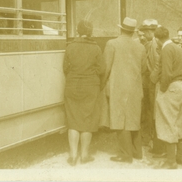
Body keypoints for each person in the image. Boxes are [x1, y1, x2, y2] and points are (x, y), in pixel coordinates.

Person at [103, 17, 147, 163]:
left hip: (118, 87)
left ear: (121, 29)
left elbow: (106, 68)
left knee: (120, 119)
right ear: (133, 32)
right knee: (133, 118)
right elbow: (144, 68)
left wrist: (102, 85)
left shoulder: (112, 44)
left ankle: (125, 154)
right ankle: (137, 152)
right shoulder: (140, 47)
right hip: (135, 87)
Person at [63, 20, 106, 166]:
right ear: (90, 32)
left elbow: (65, 68)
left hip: (72, 86)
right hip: (90, 87)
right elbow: (101, 70)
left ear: (78, 31)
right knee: (88, 120)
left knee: (73, 120)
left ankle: (73, 156)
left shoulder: (70, 47)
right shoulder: (96, 48)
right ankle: (85, 155)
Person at [151, 26, 182, 169]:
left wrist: (162, 89)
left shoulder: (166, 49)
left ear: (158, 39)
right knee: (178, 121)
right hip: (181, 86)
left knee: (168, 122)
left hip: (170, 87)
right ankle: (180, 156)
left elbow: (166, 73)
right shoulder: (178, 47)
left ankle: (170, 161)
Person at [138, 19, 165, 155]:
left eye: (145, 31)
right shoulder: (150, 43)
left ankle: (153, 139)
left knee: (152, 110)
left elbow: (157, 64)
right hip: (150, 81)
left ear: (151, 32)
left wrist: (152, 79)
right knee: (149, 110)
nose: (143, 34)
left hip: (152, 82)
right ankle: (149, 138)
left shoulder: (154, 44)